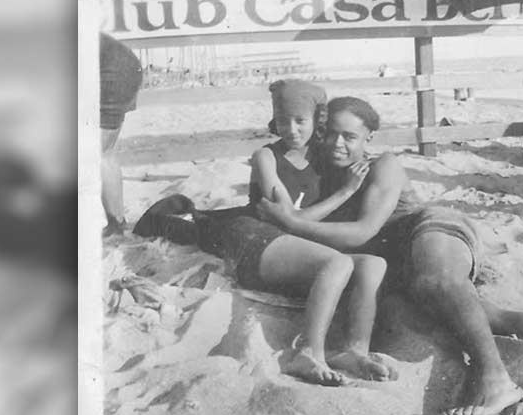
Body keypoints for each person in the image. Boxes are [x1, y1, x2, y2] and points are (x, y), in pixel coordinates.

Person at [256, 96, 523, 415]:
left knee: (438, 283)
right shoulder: (323, 174)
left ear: (369, 139)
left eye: (350, 137)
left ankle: (498, 383)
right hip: (398, 265)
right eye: (331, 134)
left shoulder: (383, 165)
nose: (338, 144)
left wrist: (291, 222)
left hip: (432, 229)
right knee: (482, 314)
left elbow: (363, 230)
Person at [135, 81, 393, 386]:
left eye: (301, 121)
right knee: (337, 263)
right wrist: (346, 192)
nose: (292, 129)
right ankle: (308, 353)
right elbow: (288, 219)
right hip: (254, 234)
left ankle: (354, 349)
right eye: (283, 120)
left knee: (374, 264)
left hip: (289, 241)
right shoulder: (266, 157)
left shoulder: (325, 156)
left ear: (317, 122)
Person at [99, 32, 143, 235]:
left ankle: (117, 225)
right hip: (125, 65)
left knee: (96, 154)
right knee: (105, 153)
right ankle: (117, 222)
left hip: (111, 70)